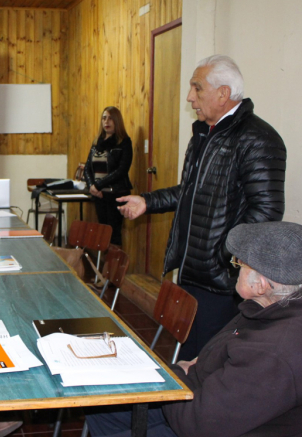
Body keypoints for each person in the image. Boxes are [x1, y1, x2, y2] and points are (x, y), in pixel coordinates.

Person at [57, 221, 302, 437]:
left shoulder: (274, 352)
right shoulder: (270, 307)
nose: (234, 267)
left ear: (260, 284)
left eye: (239, 263)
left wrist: (173, 374)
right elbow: (214, 360)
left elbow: (195, 426)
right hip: (197, 401)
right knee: (102, 405)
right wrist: (191, 370)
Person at [117, 55, 286, 360]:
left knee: (208, 363)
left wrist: (223, 255)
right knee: (187, 358)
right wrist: (148, 201)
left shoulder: (258, 139)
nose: (189, 97)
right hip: (192, 271)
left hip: (221, 281)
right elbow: (189, 192)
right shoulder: (203, 135)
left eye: (197, 88)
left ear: (223, 93)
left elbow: (266, 212)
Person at [83, 107, 133, 246]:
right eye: (104, 118)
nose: (107, 121)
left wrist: (98, 185)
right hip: (99, 195)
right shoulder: (97, 143)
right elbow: (87, 168)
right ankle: (104, 266)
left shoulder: (124, 142)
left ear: (117, 121)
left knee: (114, 233)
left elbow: (121, 170)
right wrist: (92, 187)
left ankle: (114, 266)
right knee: (103, 232)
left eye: (110, 118)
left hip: (116, 194)